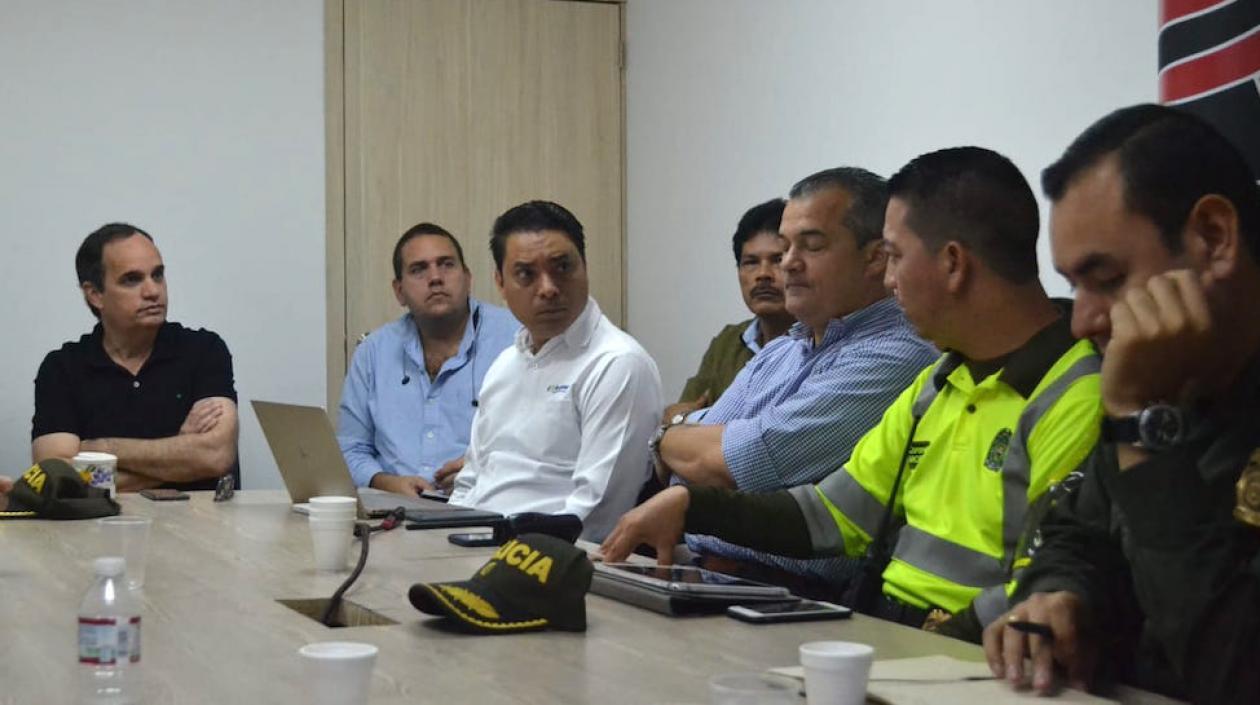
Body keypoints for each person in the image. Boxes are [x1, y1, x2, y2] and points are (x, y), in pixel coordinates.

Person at [604, 147, 1103, 636]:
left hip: (960, 658)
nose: (889, 279)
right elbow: (834, 514)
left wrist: (904, 649)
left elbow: (1048, 582)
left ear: (952, 264)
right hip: (892, 639)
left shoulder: (1072, 392)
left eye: (896, 258)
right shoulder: (943, 381)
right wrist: (695, 505)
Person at [983, 105, 1260, 703]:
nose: (1081, 321)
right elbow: (1076, 534)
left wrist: (1139, 423)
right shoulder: (1179, 376)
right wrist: (1060, 596)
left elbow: (1239, 675)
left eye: (1106, 278)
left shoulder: (1150, 386)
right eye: (1073, 285)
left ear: (1214, 237)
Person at [652, 168, 937, 590]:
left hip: (798, 596)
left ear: (876, 257)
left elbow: (740, 466)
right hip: (702, 568)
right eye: (786, 247)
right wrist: (686, 445)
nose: (788, 263)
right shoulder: (784, 349)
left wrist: (668, 435)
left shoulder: (897, 354)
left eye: (812, 246)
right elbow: (685, 470)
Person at [448, 201, 662, 541]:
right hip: (476, 544)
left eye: (562, 267)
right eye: (526, 275)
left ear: (585, 267)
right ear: (500, 283)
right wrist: (445, 537)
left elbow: (596, 513)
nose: (548, 288)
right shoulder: (505, 364)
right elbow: (471, 480)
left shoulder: (617, 364)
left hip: (550, 563)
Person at [32, 223, 238, 492]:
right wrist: (180, 450)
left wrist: (102, 448)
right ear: (95, 294)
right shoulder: (62, 368)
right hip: (96, 530)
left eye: (158, 275)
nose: (152, 291)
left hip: (202, 527)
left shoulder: (204, 350)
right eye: (132, 279)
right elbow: (56, 481)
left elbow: (215, 456)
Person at [336, 223, 517, 497]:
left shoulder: (516, 340)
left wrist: (484, 469)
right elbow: (350, 448)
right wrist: (386, 482)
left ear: (467, 278)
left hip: (489, 510)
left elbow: (546, 446)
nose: (435, 277)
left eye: (446, 265)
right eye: (419, 269)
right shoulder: (373, 352)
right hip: (395, 514)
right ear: (399, 291)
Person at [668, 198, 795, 418]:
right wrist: (678, 418)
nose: (763, 274)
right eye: (751, 262)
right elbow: (678, 416)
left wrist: (687, 424)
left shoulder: (819, 342)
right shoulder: (727, 342)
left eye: (777, 260)